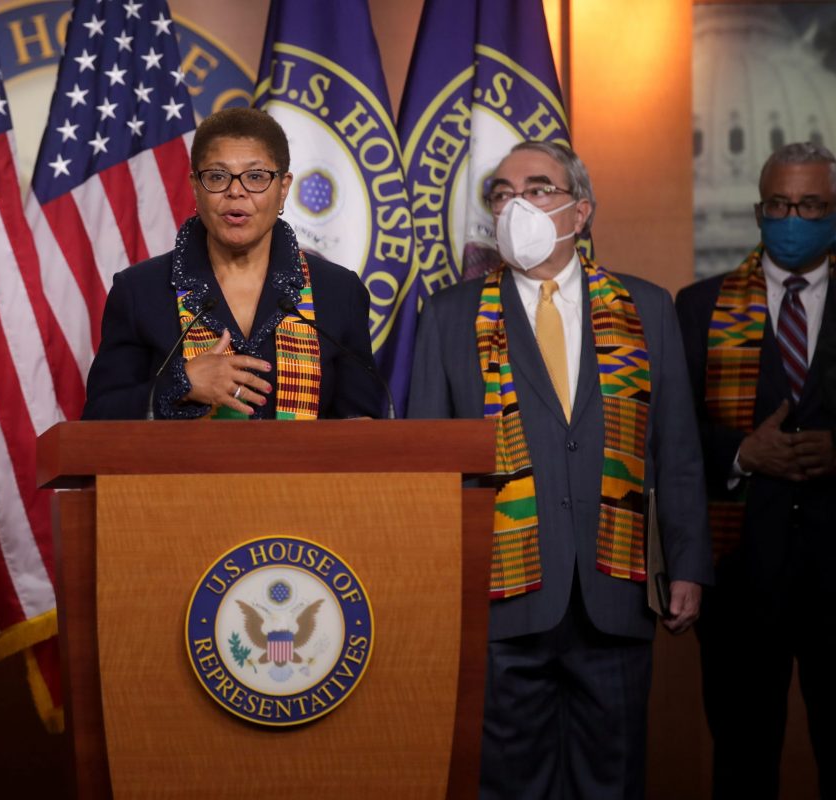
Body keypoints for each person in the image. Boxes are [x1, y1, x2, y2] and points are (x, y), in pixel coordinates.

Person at [408, 141, 712, 798]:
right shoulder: (449, 316)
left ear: (581, 211)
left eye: (538, 188)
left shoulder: (647, 308)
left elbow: (678, 451)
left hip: (616, 588)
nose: (517, 204)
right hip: (501, 597)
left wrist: (686, 564)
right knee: (508, 783)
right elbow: (432, 473)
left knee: (614, 778)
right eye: (502, 193)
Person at [676, 142, 836, 799]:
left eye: (811, 205)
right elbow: (674, 439)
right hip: (742, 576)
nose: (793, 217)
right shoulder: (699, 306)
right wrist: (744, 453)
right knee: (742, 763)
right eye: (779, 204)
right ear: (758, 211)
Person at [81, 107, 382, 420]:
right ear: (196, 187)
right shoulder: (141, 291)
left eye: (255, 177)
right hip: (181, 470)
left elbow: (364, 426)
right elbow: (98, 419)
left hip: (304, 470)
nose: (236, 191)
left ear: (283, 188)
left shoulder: (336, 292)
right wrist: (181, 385)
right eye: (217, 176)